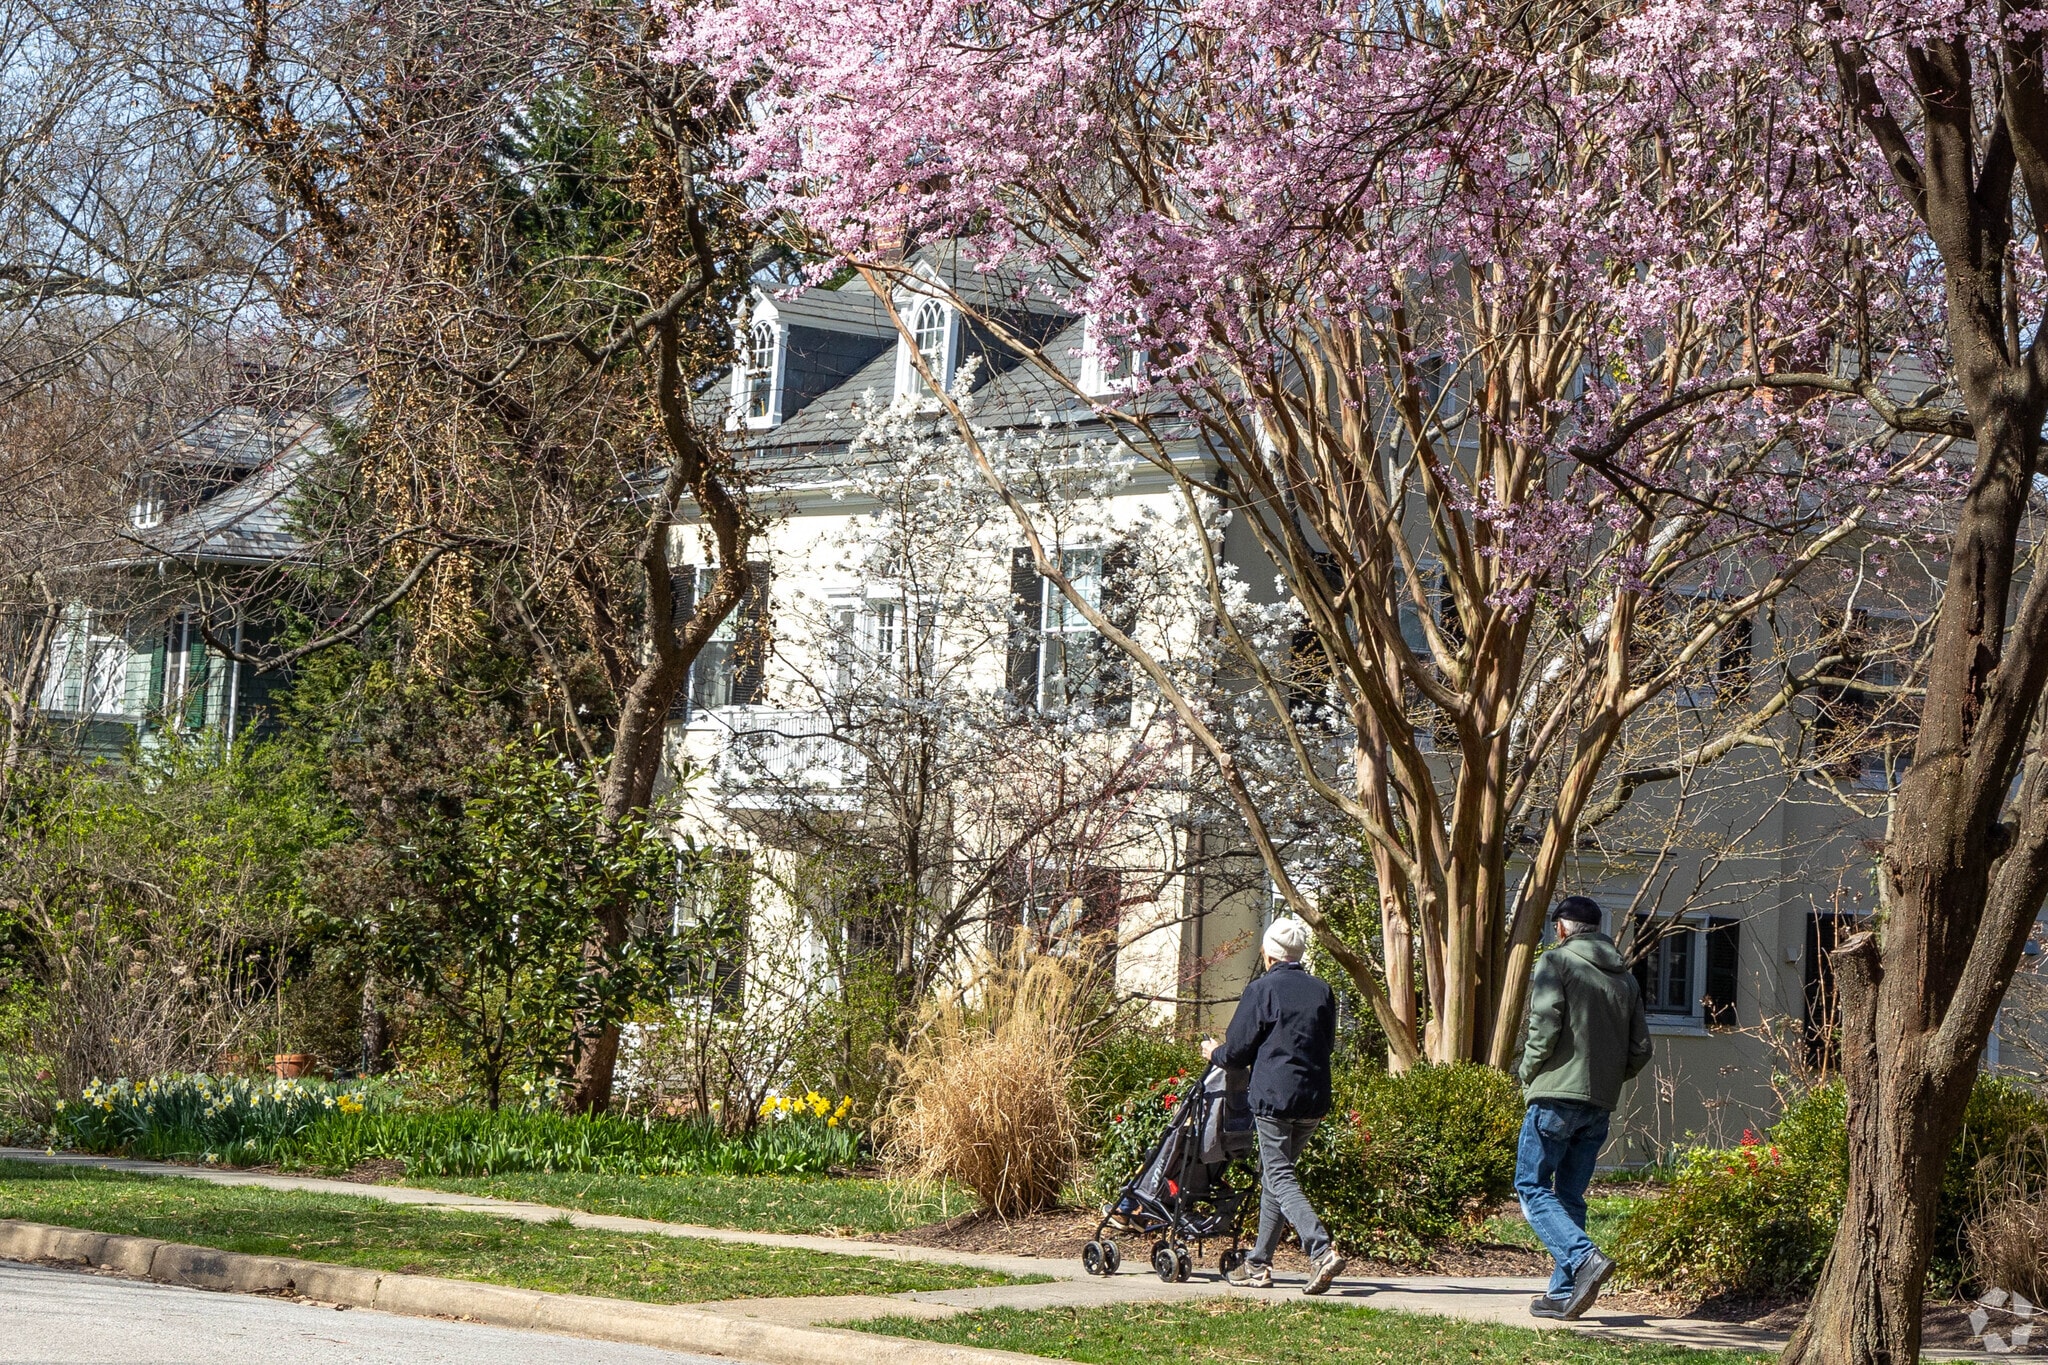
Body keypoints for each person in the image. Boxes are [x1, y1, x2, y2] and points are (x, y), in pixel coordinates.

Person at [1516, 895, 1652, 1321]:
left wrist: (1528, 1071)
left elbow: (1544, 1025)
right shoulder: (1625, 979)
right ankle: (1563, 1293)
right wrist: (1607, 1080)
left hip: (1555, 1095)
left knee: (1531, 1185)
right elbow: (1640, 1049)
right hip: (1599, 1103)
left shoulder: (1556, 962)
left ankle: (1583, 1258)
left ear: (1561, 927)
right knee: (1570, 1195)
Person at [1201, 915, 1347, 1295]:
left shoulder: (1262, 989)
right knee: (1275, 1178)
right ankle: (1258, 1264)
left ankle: (1321, 1251)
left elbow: (1236, 1052)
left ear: (1268, 954)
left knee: (1279, 1177)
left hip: (1274, 1100)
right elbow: (1327, 1045)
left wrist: (1213, 1053)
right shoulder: (1322, 990)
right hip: (1313, 1100)